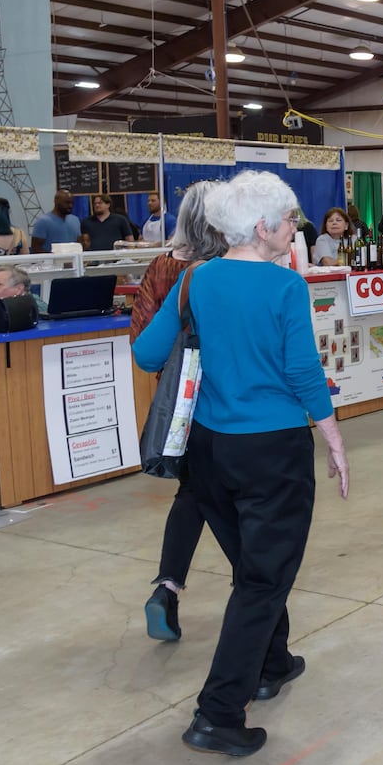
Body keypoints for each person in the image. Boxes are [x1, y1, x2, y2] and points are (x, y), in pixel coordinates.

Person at [133, 170, 349, 757]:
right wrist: (331, 434)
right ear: (262, 228)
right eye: (287, 221)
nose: (293, 229)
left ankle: (271, 663)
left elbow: (147, 351)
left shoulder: (195, 280)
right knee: (261, 580)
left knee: (255, 566)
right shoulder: (284, 288)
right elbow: (303, 370)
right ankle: (218, 712)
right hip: (271, 453)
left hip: (206, 453)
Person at [128, 181, 228, 643]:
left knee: (193, 491)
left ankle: (167, 588)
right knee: (226, 497)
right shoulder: (234, 269)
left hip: (178, 400)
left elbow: (144, 341)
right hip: (227, 401)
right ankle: (257, 595)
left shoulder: (164, 267)